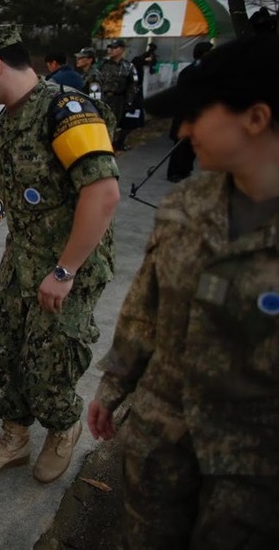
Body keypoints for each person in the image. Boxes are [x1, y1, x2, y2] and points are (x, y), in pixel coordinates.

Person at [88, 34, 279, 548]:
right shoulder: (185, 204)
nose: (185, 128)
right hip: (161, 442)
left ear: (256, 118)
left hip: (255, 474)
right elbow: (144, 307)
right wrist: (114, 386)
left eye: (198, 113)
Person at [0, 24, 120, 483]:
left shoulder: (66, 110)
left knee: (49, 358)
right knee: (0, 347)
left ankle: (62, 428)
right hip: (22, 259)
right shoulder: (4, 123)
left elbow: (103, 192)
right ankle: (14, 436)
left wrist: (65, 269)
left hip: (69, 264)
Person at [166, 41, 213, 183]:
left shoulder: (209, 71)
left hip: (200, 115)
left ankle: (185, 169)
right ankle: (174, 172)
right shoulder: (190, 71)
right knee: (180, 145)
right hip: (185, 114)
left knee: (192, 145)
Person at [99, 39, 136, 150]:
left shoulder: (128, 67)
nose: (111, 50)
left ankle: (110, 146)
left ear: (122, 49)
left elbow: (133, 85)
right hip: (103, 97)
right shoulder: (102, 64)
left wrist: (129, 101)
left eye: (115, 48)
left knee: (113, 123)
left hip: (118, 99)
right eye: (110, 48)